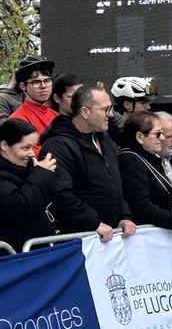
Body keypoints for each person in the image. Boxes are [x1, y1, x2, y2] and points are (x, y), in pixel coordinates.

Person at [41, 86, 136, 242]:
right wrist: (94, 223)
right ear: (85, 112)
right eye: (105, 109)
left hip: (112, 236)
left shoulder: (106, 140)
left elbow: (118, 184)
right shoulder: (57, 146)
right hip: (80, 240)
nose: (110, 114)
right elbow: (60, 193)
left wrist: (124, 216)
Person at [119, 112, 172, 233]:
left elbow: (165, 196)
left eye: (162, 133)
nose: (162, 138)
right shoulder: (130, 159)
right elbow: (142, 206)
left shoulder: (149, 158)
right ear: (140, 137)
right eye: (158, 134)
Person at [0, 118, 57, 252]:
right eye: (25, 147)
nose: (32, 153)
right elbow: (19, 207)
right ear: (4, 146)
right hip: (15, 258)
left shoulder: (29, 169)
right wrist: (40, 176)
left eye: (33, 147)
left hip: (37, 250)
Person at [10, 56, 57, 151]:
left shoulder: (55, 115)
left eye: (47, 80)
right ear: (23, 86)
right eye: (36, 82)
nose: (43, 86)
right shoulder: (18, 120)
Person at [107, 76, 153, 150]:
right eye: (143, 103)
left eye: (148, 103)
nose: (148, 107)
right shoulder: (112, 133)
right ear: (127, 105)